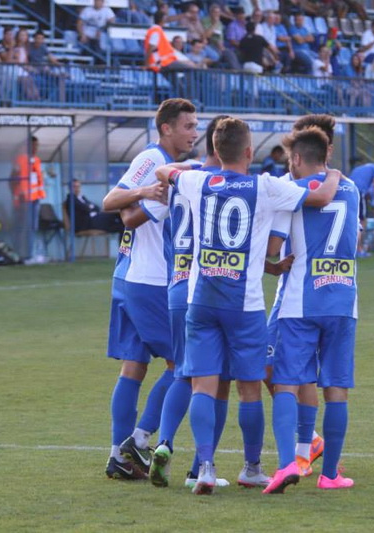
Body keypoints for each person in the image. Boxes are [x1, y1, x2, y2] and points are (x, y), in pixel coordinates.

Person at [154, 117, 343, 495]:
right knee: (249, 389)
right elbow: (321, 196)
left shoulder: (198, 181)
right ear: (248, 151)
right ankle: (252, 467)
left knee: (203, 386)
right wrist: (335, 174)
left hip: (201, 300)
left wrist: (186, 168)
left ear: (215, 150)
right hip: (245, 305)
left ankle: (205, 469)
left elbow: (163, 171)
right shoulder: (265, 186)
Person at [123, 115, 234, 489]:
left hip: (176, 285)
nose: (193, 132)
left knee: (180, 371)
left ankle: (160, 442)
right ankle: (202, 467)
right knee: (218, 381)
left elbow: (132, 217)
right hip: (215, 290)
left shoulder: (180, 180)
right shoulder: (232, 185)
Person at [99, 99, 198, 481]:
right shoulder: (154, 159)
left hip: (131, 276)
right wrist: (151, 193)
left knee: (134, 366)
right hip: (151, 281)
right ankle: (138, 441)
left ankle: (118, 458)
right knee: (183, 366)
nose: (194, 133)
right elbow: (117, 207)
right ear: (166, 128)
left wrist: (146, 194)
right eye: (188, 126)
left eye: (196, 126)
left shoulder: (165, 165)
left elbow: (125, 209)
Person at [264, 125, 358, 494]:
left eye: (291, 159)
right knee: (336, 388)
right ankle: (330, 475)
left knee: (286, 382)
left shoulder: (293, 191)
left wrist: (272, 261)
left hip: (301, 301)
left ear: (298, 158)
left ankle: (288, 462)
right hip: (343, 300)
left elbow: (273, 249)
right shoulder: (351, 188)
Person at [348, 160, 374, 255]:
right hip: (358, 192)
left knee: (352, 221)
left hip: (348, 191)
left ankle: (351, 248)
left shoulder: (358, 169)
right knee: (362, 222)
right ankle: (359, 249)